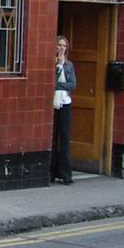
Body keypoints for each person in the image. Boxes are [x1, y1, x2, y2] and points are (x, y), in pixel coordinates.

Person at [51, 35, 76, 185]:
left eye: (64, 46)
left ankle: (66, 174)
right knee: (53, 137)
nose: (61, 48)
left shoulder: (69, 65)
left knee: (65, 138)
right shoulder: (52, 64)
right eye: (59, 45)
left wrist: (62, 66)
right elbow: (52, 83)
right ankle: (51, 173)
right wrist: (57, 66)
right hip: (53, 103)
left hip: (65, 102)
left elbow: (72, 84)